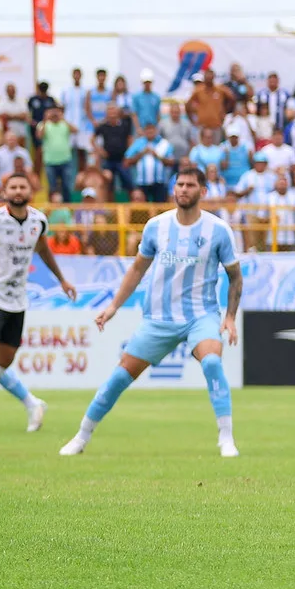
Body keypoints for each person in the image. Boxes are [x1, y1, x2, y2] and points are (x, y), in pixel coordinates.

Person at [59, 165, 243, 458]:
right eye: (179, 184)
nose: (183, 189)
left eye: (190, 185)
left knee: (211, 364)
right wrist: (113, 307)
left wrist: (230, 317)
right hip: (158, 319)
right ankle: (81, 437)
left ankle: (226, 438)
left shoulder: (218, 230)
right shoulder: (156, 226)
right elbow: (136, 269)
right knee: (119, 378)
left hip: (201, 316)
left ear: (203, 192)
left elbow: (235, 275)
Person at [0, 174, 76, 435]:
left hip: (17, 301)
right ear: (5, 191)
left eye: (22, 186)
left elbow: (44, 249)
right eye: (13, 186)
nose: (17, 190)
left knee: (5, 359)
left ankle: (30, 403)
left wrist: (62, 280)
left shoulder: (39, 220)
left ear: (31, 191)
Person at [124, 124, 175, 203]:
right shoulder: (138, 143)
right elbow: (127, 161)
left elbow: (171, 162)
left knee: (160, 207)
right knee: (142, 208)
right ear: (144, 132)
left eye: (152, 131)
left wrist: (157, 156)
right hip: (142, 182)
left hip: (160, 181)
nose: (150, 133)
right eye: (148, 131)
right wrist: (142, 153)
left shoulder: (164, 143)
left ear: (156, 131)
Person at [36, 104, 76, 201]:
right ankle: (51, 209)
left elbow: (75, 130)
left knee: (66, 186)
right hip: (50, 161)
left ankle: (68, 208)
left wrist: (63, 118)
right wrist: (46, 119)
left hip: (65, 160)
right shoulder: (43, 124)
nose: (54, 114)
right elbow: (39, 136)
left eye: (56, 112)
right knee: (52, 187)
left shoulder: (64, 124)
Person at [93, 104, 133, 194]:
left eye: (113, 111)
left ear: (118, 113)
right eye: (110, 112)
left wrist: (128, 155)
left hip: (122, 159)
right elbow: (92, 139)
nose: (112, 114)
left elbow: (130, 139)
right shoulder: (102, 126)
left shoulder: (125, 125)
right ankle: (110, 206)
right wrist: (100, 151)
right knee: (108, 186)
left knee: (129, 183)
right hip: (108, 160)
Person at [60, 67, 88, 171]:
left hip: (82, 126)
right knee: (68, 153)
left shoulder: (85, 91)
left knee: (81, 153)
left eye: (78, 74)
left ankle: (81, 176)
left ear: (81, 76)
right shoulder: (66, 91)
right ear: (72, 76)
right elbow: (62, 108)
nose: (77, 76)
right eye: (75, 74)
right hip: (68, 126)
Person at [27, 81, 56, 171]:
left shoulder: (50, 100)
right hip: (36, 129)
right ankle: (37, 174)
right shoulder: (33, 99)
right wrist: (33, 123)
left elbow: (54, 114)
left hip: (49, 129)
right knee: (38, 152)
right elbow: (27, 114)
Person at [159, 102, 195, 170]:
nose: (175, 114)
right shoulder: (162, 123)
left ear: (180, 112)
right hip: (168, 160)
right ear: (169, 112)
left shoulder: (187, 124)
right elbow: (158, 141)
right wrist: (163, 157)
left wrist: (187, 156)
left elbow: (192, 142)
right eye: (173, 112)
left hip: (183, 159)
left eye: (177, 112)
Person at [267, 175, 295, 251]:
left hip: (290, 237)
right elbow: (262, 216)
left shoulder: (293, 196)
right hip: (272, 237)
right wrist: (270, 218)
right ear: (276, 185)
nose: (282, 186)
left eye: (284, 184)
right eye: (280, 184)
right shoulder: (270, 197)